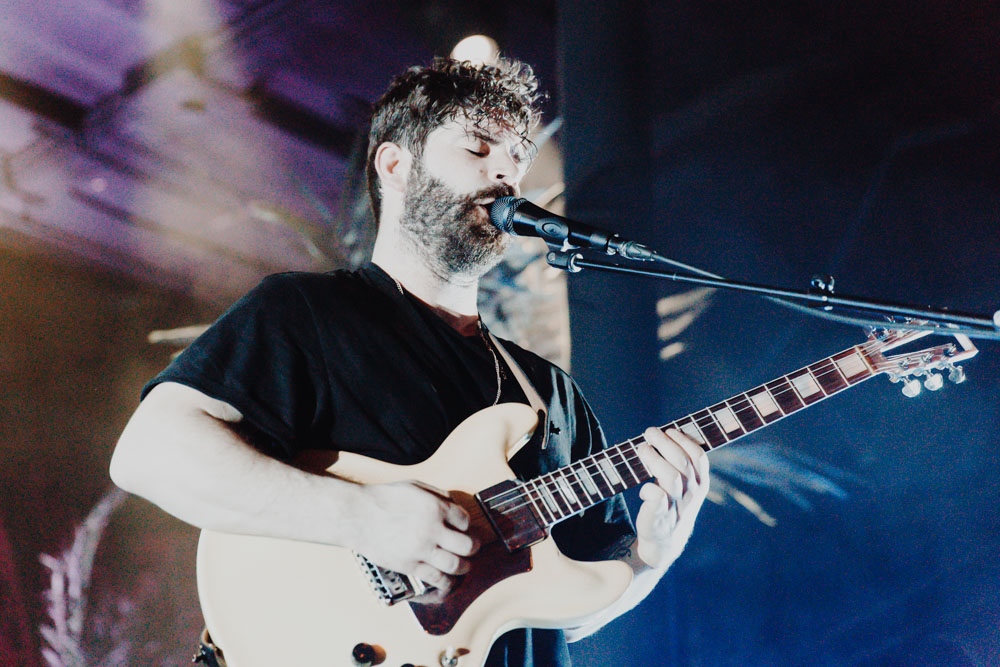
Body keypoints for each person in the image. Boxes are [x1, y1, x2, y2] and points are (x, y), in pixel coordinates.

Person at [110, 56, 710, 667]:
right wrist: (362, 517)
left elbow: (562, 616)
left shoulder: (551, 393)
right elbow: (149, 454)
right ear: (395, 166)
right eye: (478, 146)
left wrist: (651, 557)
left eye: (517, 157)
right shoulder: (307, 312)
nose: (505, 171)